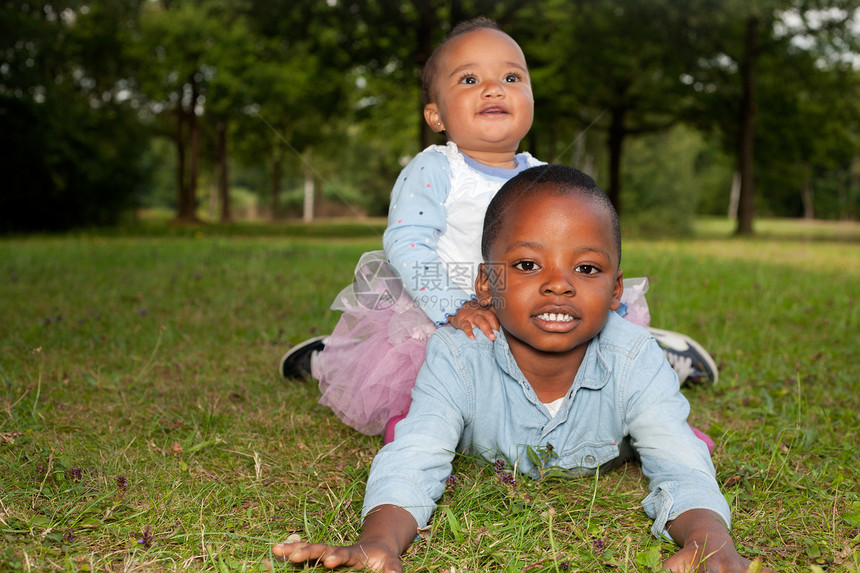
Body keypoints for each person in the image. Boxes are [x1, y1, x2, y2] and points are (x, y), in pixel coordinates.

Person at [272, 165, 769, 573]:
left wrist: (709, 540)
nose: (559, 284)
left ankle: (659, 420)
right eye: (529, 265)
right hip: (469, 413)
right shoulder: (458, 353)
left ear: (616, 291)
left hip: (626, 401)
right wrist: (379, 541)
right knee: (411, 432)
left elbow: (679, 467)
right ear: (486, 285)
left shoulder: (634, 358)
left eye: (587, 269)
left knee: (673, 440)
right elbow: (418, 459)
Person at [280, 17, 718, 444]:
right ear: (436, 115)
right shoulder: (434, 169)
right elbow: (407, 244)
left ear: (530, 98)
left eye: (511, 77)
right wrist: (454, 307)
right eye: (469, 80)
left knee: (602, 355)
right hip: (454, 315)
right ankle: (342, 368)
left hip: (533, 309)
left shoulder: (545, 179)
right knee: (442, 376)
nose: (493, 88)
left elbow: (583, 246)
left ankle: (660, 417)